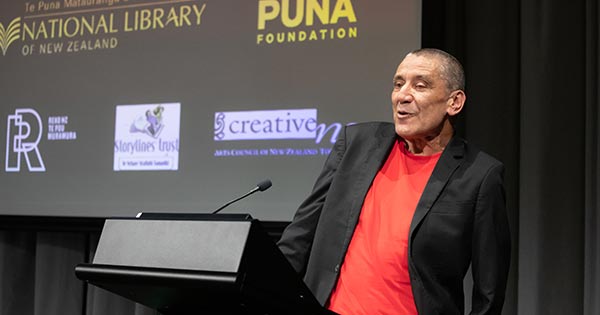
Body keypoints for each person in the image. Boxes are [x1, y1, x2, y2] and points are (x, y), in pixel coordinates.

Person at [277, 48, 511, 315]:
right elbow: (300, 236)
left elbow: (489, 293)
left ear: (454, 102)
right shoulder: (357, 144)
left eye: (419, 85)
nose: (403, 95)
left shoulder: (480, 175)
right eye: (398, 84)